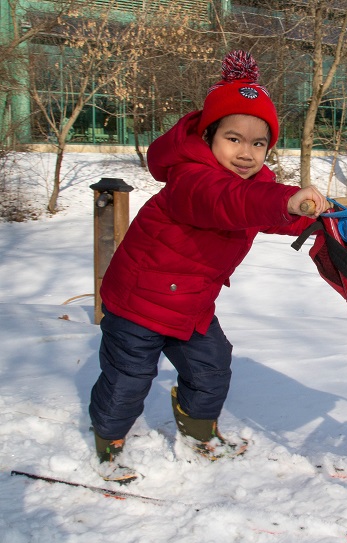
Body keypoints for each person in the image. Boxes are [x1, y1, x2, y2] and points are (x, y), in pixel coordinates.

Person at [89, 50, 330, 478]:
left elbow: (263, 210)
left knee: (212, 365)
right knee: (128, 379)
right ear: (208, 137)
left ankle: (199, 433)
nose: (246, 153)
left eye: (258, 143)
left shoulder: (252, 188)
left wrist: (326, 215)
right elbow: (230, 203)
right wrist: (283, 198)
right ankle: (110, 443)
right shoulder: (191, 179)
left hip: (190, 306)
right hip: (137, 305)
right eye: (233, 139)